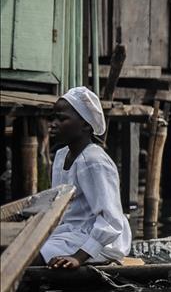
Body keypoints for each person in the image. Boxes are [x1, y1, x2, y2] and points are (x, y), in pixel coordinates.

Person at [39, 87, 131, 268]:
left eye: (62, 119)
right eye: (53, 118)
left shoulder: (94, 161)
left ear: (86, 125)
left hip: (101, 241)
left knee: (24, 260)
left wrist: (78, 258)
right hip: (69, 233)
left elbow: (111, 220)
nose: (53, 124)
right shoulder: (60, 156)